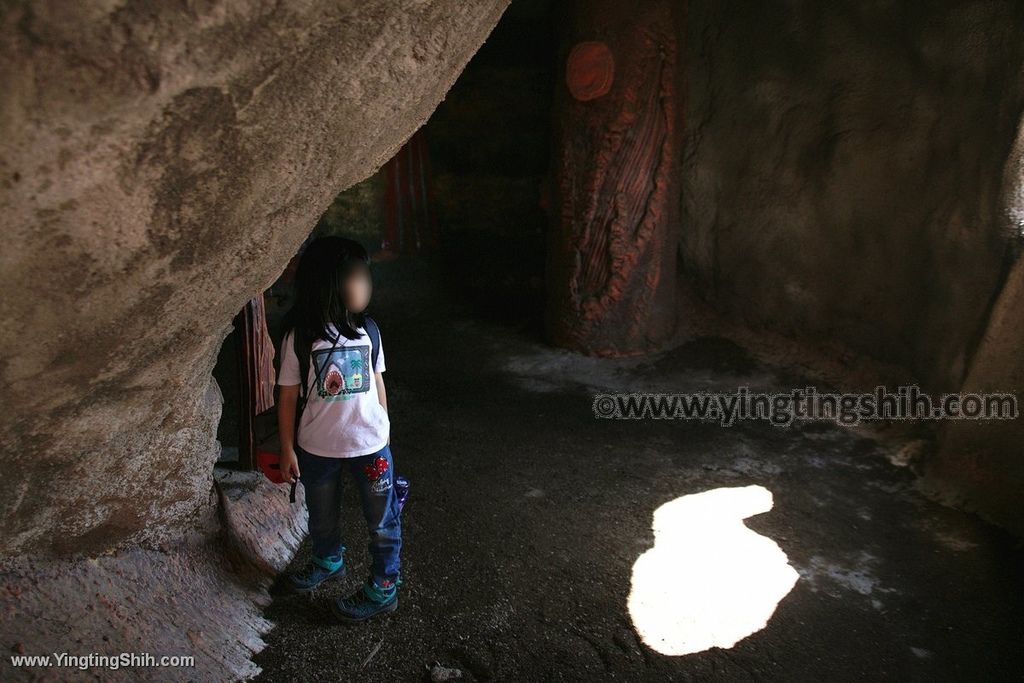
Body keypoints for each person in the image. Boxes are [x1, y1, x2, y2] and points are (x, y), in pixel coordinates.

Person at [275, 235, 402, 622]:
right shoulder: (300, 336)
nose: (366, 285)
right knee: (321, 515)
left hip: (371, 447)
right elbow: (286, 395)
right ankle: (327, 560)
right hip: (316, 448)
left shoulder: (370, 331)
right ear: (330, 282)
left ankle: (384, 587)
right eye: (357, 276)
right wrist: (286, 448)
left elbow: (378, 383)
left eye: (366, 276)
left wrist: (385, 430)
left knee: (382, 522)